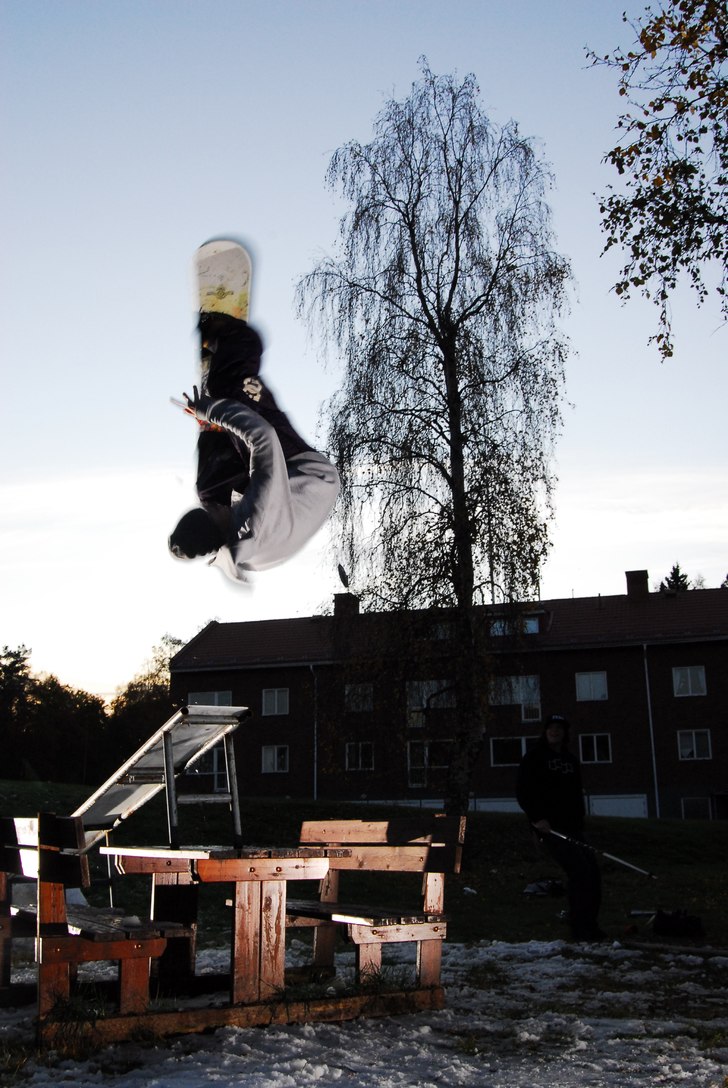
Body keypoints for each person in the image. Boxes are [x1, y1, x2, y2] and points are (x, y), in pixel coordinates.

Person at [169, 313, 340, 582]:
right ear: (218, 526)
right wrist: (210, 410)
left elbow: (219, 522)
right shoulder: (259, 512)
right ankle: (237, 340)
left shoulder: (227, 543)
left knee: (209, 492)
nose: (210, 508)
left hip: (283, 507)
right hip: (307, 473)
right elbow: (262, 435)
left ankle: (218, 429)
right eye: (210, 514)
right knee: (226, 390)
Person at [516, 714, 604, 941]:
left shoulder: (570, 760)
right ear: (545, 731)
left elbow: (576, 793)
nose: (555, 731)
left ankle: (590, 925)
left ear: (565, 733)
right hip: (550, 828)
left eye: (559, 728)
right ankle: (579, 928)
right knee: (579, 872)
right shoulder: (534, 757)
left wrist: (580, 822)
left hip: (573, 826)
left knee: (592, 873)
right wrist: (537, 819)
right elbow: (523, 791)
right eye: (551, 728)